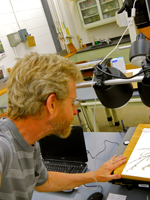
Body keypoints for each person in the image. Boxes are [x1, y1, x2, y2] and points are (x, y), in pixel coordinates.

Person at [0, 52, 126, 200]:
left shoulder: (29, 141)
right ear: (52, 104)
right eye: (72, 102)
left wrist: (94, 175)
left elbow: (45, 181)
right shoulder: (4, 148)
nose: (74, 110)